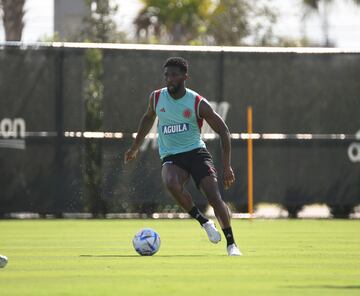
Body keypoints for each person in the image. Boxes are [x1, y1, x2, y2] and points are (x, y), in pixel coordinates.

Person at [124, 57, 242, 256]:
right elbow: (147, 118)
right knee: (170, 181)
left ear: (185, 77)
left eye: (174, 75)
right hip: (172, 156)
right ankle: (204, 222)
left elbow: (223, 130)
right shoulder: (156, 98)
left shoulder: (196, 102)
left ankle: (231, 244)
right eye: (167, 75)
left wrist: (227, 166)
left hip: (196, 153)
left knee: (214, 196)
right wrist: (135, 147)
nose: (169, 79)